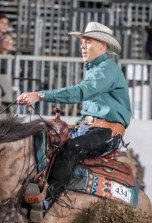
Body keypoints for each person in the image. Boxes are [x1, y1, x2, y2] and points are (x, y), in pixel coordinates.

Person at [16, 22, 130, 205]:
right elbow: (91, 108)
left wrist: (40, 95)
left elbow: (80, 92)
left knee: (72, 149)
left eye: (88, 42)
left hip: (108, 133)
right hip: (90, 128)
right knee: (45, 138)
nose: (82, 46)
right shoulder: (98, 69)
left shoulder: (107, 70)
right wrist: (75, 125)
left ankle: (47, 203)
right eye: (83, 41)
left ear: (103, 46)